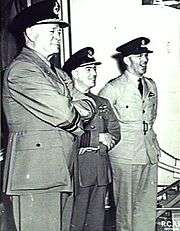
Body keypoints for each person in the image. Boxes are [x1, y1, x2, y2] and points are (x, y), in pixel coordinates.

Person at [2, 1, 97, 231]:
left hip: (58, 170)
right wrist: (74, 107)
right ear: (31, 33)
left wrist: (76, 106)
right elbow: (66, 115)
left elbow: (89, 104)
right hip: (35, 174)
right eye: (52, 31)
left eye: (59, 31)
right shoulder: (22, 70)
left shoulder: (57, 73)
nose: (58, 36)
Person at [99, 37, 160, 231]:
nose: (144, 60)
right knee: (125, 209)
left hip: (149, 152)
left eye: (145, 56)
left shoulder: (151, 85)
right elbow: (101, 121)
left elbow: (151, 116)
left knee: (146, 207)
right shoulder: (112, 88)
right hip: (125, 155)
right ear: (127, 60)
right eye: (139, 56)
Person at [62, 47, 121, 231]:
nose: (94, 73)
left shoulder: (102, 103)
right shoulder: (65, 103)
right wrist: (97, 139)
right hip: (75, 171)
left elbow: (115, 133)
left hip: (100, 171)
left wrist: (105, 141)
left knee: (97, 222)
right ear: (75, 73)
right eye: (88, 69)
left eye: (94, 69)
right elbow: (64, 136)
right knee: (74, 222)